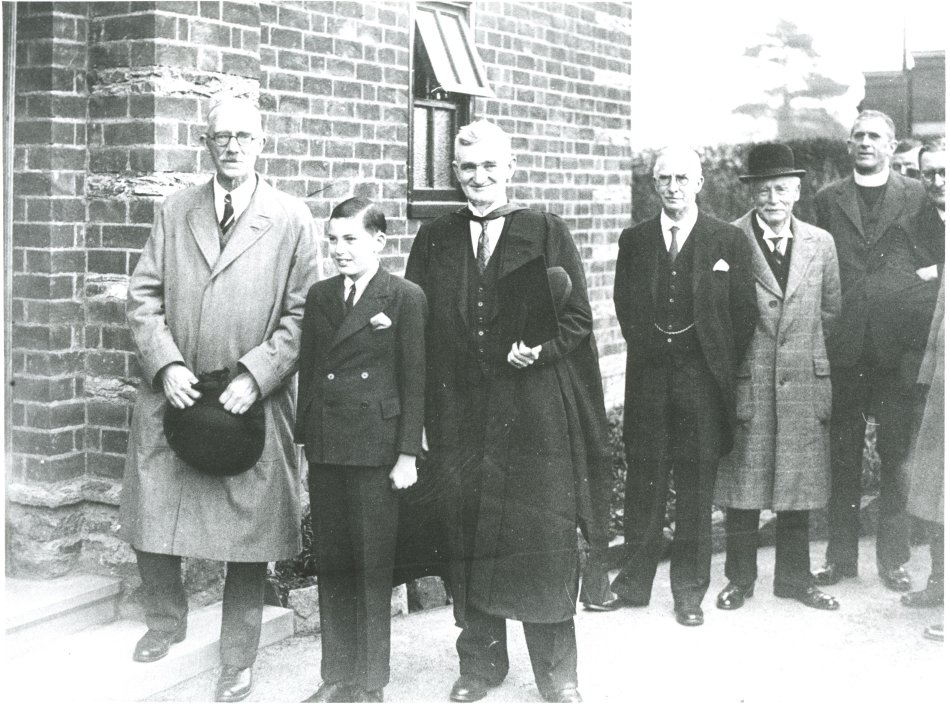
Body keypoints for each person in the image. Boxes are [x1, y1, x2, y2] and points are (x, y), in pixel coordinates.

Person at [120, 97, 318, 703]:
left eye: (244, 136)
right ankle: (165, 621)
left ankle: (237, 657)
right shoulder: (175, 209)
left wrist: (257, 375)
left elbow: (304, 312)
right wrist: (166, 364)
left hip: (248, 398)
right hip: (177, 390)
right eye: (221, 136)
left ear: (262, 143)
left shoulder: (291, 217)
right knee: (153, 504)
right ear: (205, 143)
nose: (232, 146)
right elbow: (144, 294)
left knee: (248, 531)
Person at [405, 120, 610, 704]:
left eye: (490, 167)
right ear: (454, 174)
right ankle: (480, 666)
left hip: (531, 415)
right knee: (468, 537)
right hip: (460, 415)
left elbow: (578, 322)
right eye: (468, 168)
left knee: (540, 539)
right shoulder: (435, 237)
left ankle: (556, 675)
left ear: (510, 168)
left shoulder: (545, 230)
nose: (479, 178)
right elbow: (416, 325)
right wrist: (418, 414)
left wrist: (538, 350)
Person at [611, 146, 757, 627]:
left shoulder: (727, 241)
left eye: (682, 178)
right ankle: (632, 584)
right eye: (664, 179)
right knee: (644, 482)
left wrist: (715, 362)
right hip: (650, 378)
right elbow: (626, 307)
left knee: (696, 488)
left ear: (699, 183)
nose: (673, 187)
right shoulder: (634, 240)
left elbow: (743, 313)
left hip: (702, 383)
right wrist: (653, 351)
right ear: (654, 185)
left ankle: (689, 592)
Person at [295, 198, 427, 703]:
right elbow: (309, 373)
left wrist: (407, 455)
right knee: (334, 565)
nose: (340, 250)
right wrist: (306, 443)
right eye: (333, 240)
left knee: (372, 568)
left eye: (350, 239)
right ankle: (336, 676)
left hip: (376, 451)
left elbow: (415, 381)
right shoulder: (322, 295)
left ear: (379, 241)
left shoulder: (404, 296)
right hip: (329, 448)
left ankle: (370, 683)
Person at [713, 143, 842, 612]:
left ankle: (794, 579)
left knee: (798, 486)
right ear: (751, 192)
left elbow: (831, 311)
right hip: (750, 378)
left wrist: (810, 361)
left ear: (797, 191)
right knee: (744, 486)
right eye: (763, 189)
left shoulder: (820, 243)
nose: (772, 198)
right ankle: (739, 580)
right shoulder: (728, 239)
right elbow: (718, 315)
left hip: (804, 379)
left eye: (782, 189)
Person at [813, 110, 928, 591]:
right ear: (849, 147)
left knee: (897, 454)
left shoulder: (917, 196)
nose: (865, 142)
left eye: (874, 136)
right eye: (857, 136)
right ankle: (840, 559)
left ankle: (893, 559)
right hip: (844, 346)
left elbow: (931, 262)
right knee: (841, 456)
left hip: (898, 348)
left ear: (891, 145)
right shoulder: (826, 200)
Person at [901, 139, 945, 627]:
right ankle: (938, 583)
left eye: (945, 173)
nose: (937, 182)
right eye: (928, 174)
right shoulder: (916, 228)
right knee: (936, 485)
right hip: (939, 380)